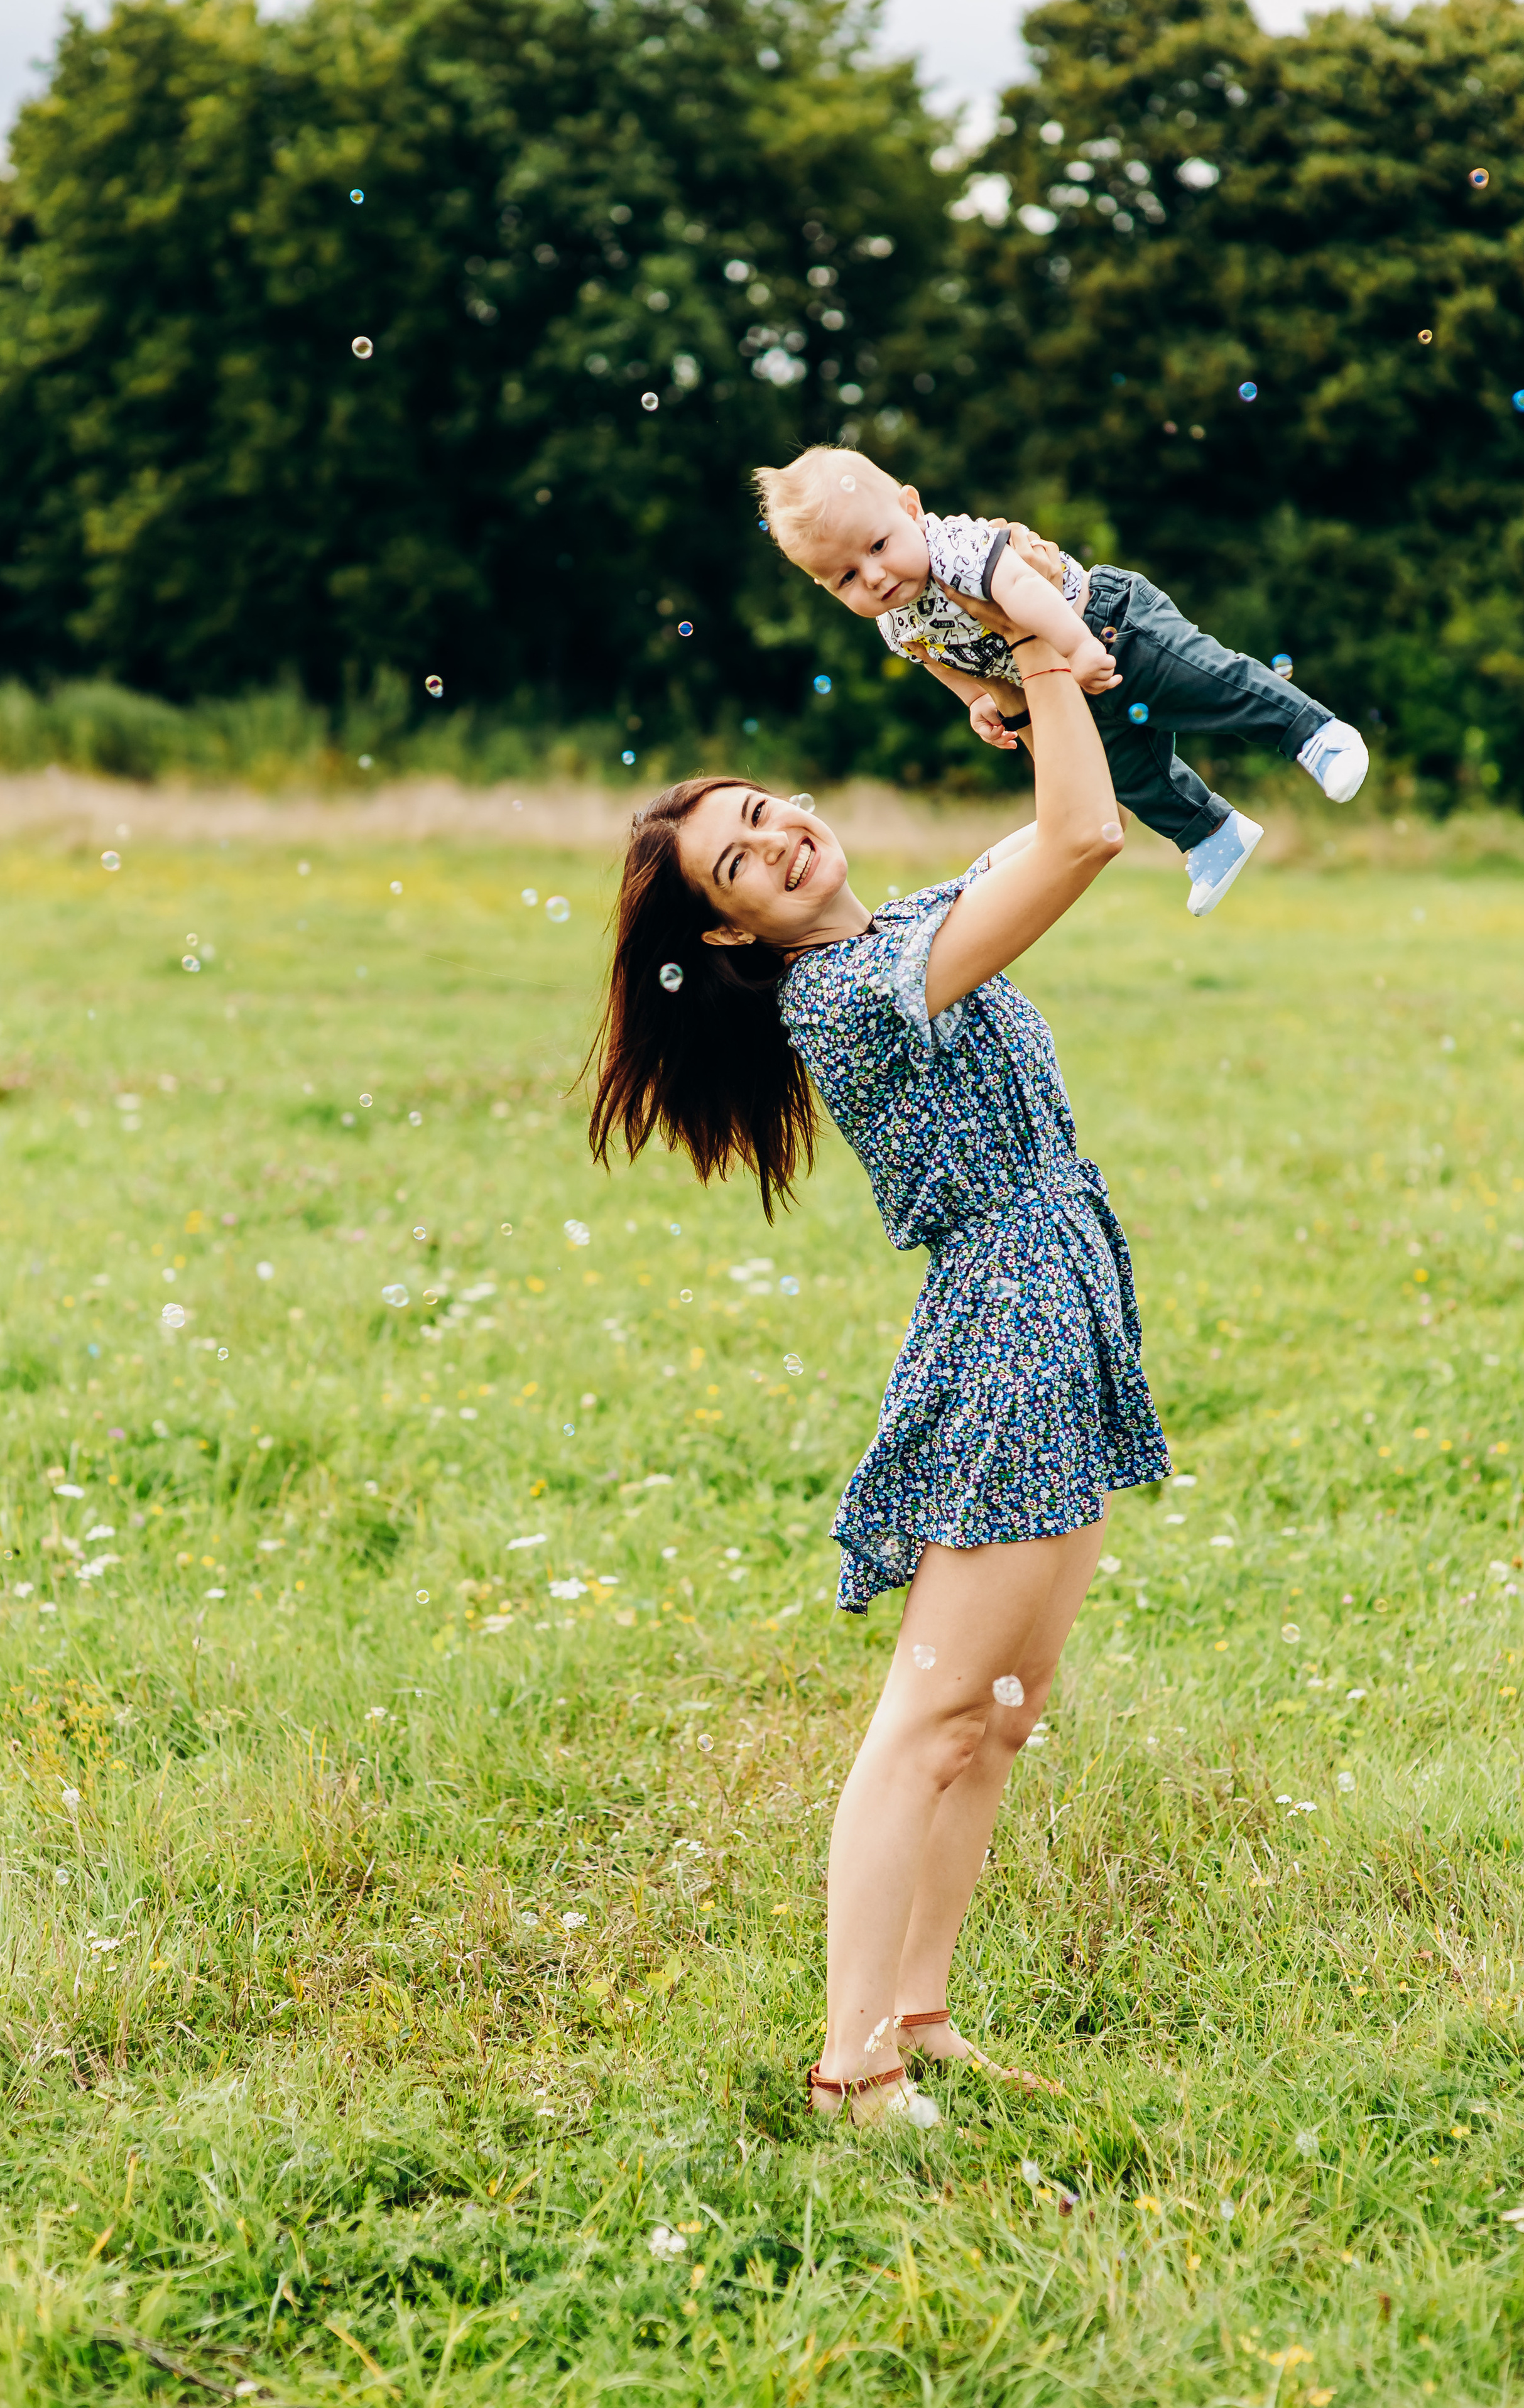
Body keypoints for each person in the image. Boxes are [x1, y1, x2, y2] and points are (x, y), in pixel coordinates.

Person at [586, 586, 1172, 2126]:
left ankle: (920, 2009)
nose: (777, 838)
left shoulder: (901, 924)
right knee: (925, 1711)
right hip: (1001, 1323)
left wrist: (1008, 691)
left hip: (1060, 1291)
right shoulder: (844, 994)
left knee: (999, 1707)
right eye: (737, 859)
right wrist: (1045, 653)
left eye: (769, 811)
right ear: (726, 926)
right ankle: (851, 2063)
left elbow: (1045, 815)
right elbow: (1080, 840)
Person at [754, 444, 1371, 918]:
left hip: (1107, 624)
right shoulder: (895, 623)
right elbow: (936, 657)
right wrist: (975, 701)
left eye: (879, 545)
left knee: (1208, 684)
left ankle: (1315, 734)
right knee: (1127, 774)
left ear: (911, 509)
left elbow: (1023, 588)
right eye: (844, 578)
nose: (874, 577)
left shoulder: (955, 550)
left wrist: (1077, 645)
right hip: (1061, 679)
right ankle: (1209, 832)